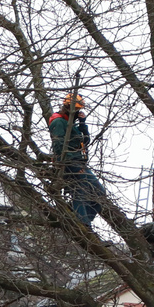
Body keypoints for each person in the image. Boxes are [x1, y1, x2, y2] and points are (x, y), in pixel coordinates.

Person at [49, 92, 106, 225]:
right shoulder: (59, 122)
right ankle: (83, 222)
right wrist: (71, 164)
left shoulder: (72, 124)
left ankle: (83, 220)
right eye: (77, 110)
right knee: (81, 191)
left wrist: (82, 123)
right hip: (71, 163)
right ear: (69, 108)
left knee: (98, 193)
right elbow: (58, 145)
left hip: (78, 162)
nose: (78, 112)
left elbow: (85, 141)